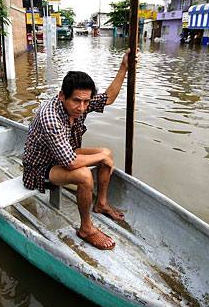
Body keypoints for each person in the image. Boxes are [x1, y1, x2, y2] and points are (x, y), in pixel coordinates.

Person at [23, 51, 134, 250]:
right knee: (84, 175)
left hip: (64, 153)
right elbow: (71, 163)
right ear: (62, 96)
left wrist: (124, 66)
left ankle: (100, 203)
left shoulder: (81, 104)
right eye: (76, 101)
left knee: (106, 153)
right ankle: (86, 229)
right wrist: (102, 159)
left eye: (86, 101)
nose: (82, 108)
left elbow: (108, 98)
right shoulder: (50, 117)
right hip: (40, 168)